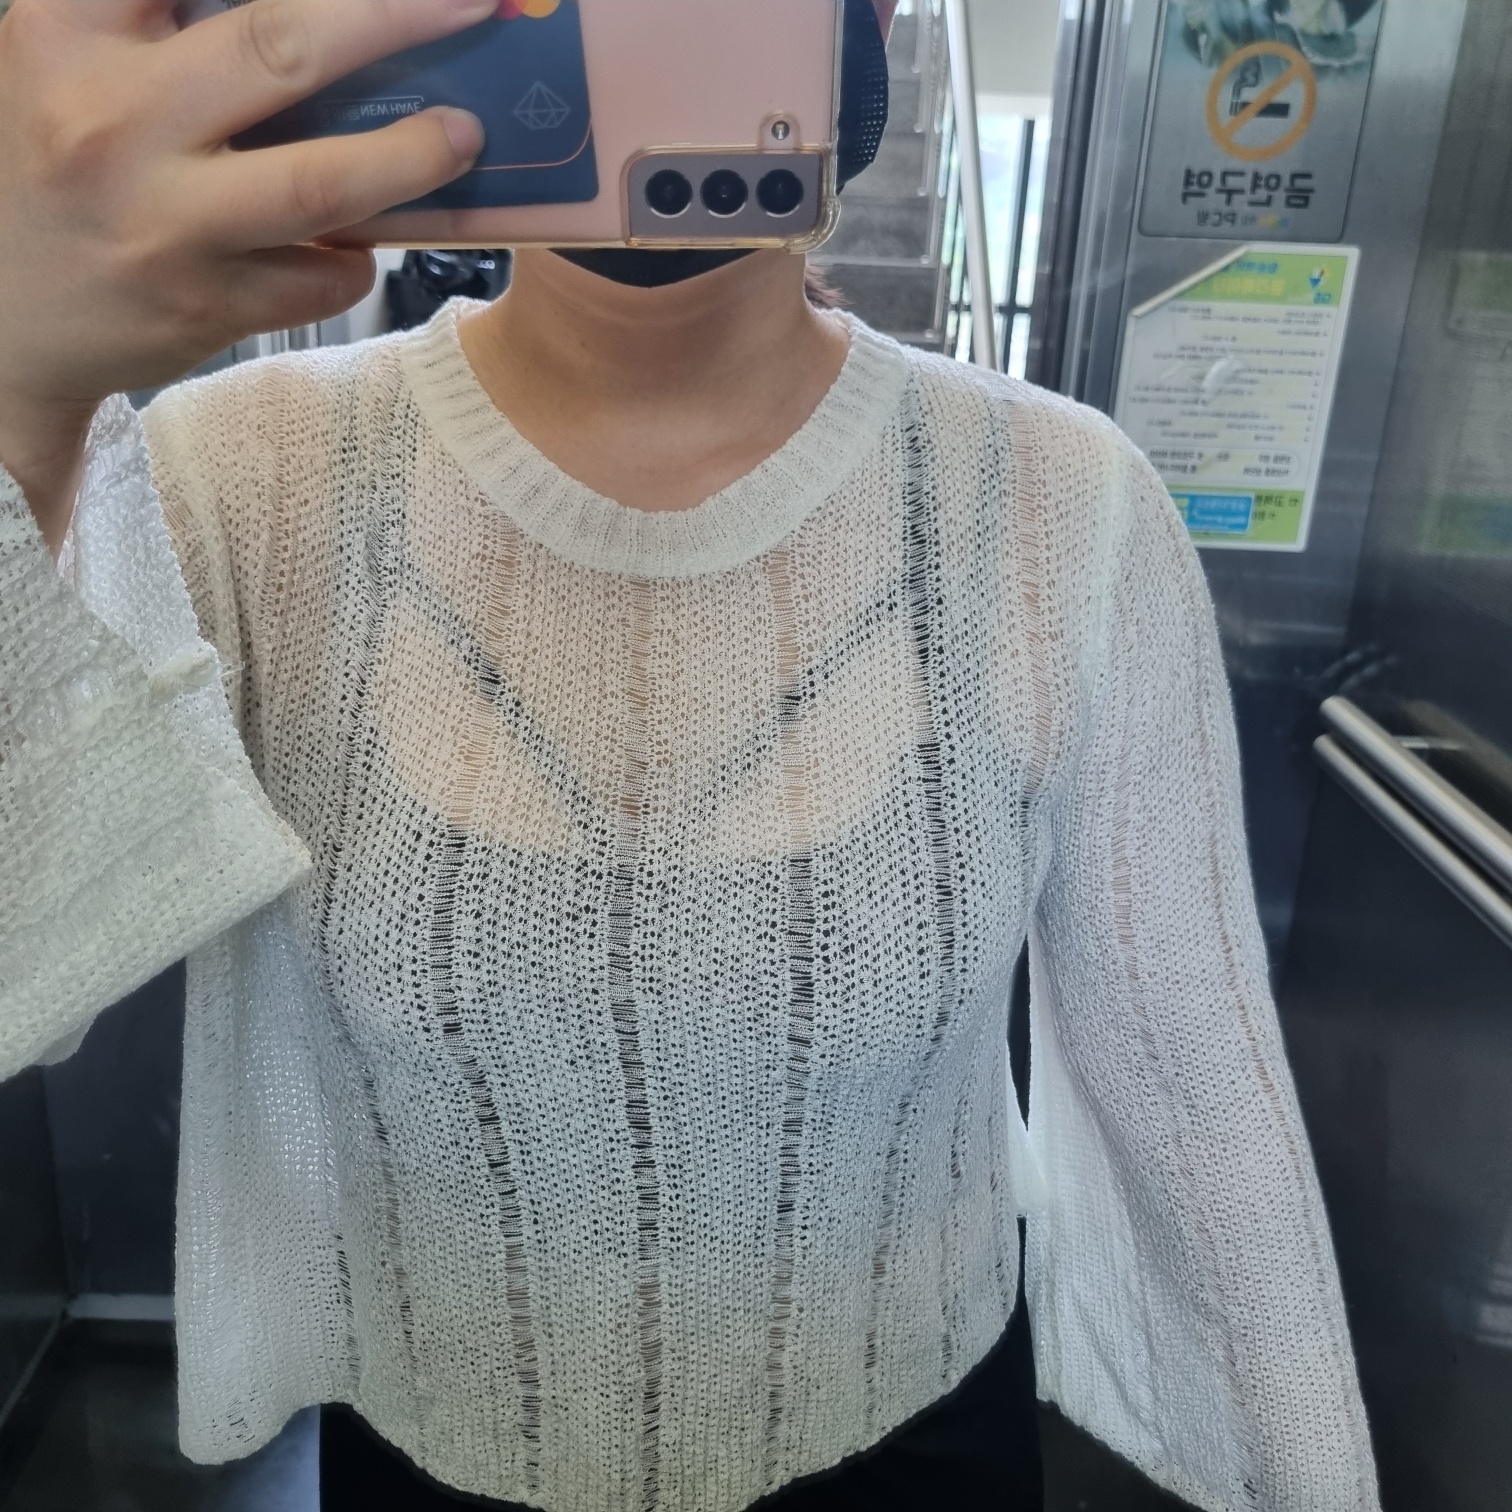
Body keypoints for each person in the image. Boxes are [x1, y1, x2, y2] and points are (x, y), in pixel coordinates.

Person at [0, 2, 1379, 1510]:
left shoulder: (1057, 501)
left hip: (912, 1447)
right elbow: (23, 973)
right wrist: (18, 415)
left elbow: (1202, 1092)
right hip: (436, 1453)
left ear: (854, 39)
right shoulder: (231, 476)